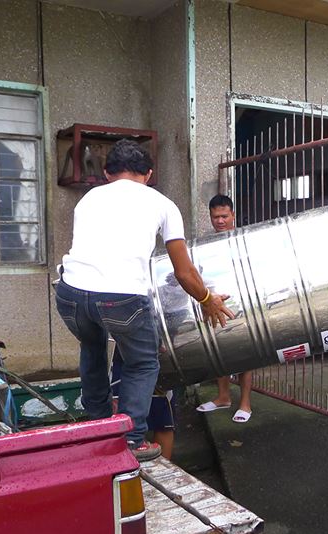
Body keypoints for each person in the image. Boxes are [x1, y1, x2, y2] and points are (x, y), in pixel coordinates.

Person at [56, 140, 234, 462]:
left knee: (92, 348)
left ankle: (97, 427)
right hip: (121, 299)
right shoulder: (162, 204)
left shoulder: (88, 199)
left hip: (70, 294)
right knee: (143, 362)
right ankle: (131, 439)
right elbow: (184, 271)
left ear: (107, 173)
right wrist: (207, 299)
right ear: (149, 174)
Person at [195, 194, 255, 423]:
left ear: (233, 215)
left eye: (224, 216)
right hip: (213, 304)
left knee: (247, 355)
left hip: (243, 303)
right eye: (215, 217)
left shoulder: (245, 239)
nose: (219, 221)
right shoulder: (205, 245)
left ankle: (245, 404)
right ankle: (223, 397)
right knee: (218, 353)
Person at [111, 348, 176, 460]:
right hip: (120, 353)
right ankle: (126, 466)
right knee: (120, 421)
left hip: (153, 357)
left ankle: (162, 471)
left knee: (163, 421)